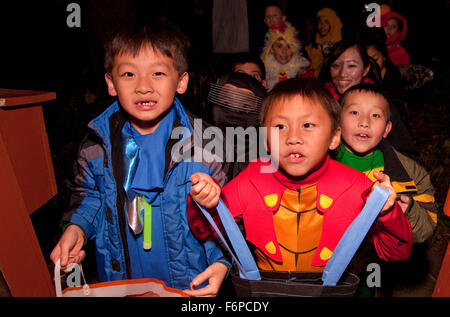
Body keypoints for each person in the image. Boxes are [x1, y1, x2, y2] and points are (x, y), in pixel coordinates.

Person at [49, 22, 230, 297]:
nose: (143, 87)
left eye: (158, 73)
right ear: (111, 83)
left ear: (181, 81)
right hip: (123, 282)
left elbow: (226, 214)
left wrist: (222, 263)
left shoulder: (204, 146)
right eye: (129, 74)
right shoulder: (97, 146)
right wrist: (77, 227)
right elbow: (89, 197)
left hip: (188, 286)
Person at [189, 79, 412, 275]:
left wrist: (387, 212)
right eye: (280, 126)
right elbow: (204, 230)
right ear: (266, 140)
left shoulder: (358, 186)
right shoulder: (253, 178)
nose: (293, 137)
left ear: (334, 138)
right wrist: (206, 202)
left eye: (307, 125)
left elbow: (396, 253)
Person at [336, 83, 437, 296]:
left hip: (372, 261)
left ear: (387, 129)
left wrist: (405, 208)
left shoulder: (407, 173)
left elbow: (427, 226)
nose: (364, 122)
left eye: (375, 115)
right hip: (317, 261)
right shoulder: (318, 159)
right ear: (337, 120)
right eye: (354, 112)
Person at [319, 39, 420, 162]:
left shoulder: (382, 104)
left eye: (351, 66)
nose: (342, 73)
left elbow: (409, 156)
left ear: (366, 69)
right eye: (336, 65)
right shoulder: (320, 103)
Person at [208, 71, 267, 180]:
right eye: (226, 103)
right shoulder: (195, 143)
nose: (234, 111)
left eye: (245, 106)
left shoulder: (268, 153)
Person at [260, 17, 311, 91]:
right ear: (271, 49)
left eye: (289, 46)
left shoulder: (301, 71)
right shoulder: (263, 70)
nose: (284, 51)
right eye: (279, 46)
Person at [305, 7, 343, 78]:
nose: (322, 25)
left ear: (333, 24)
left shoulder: (340, 48)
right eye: (320, 21)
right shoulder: (313, 44)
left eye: (326, 21)